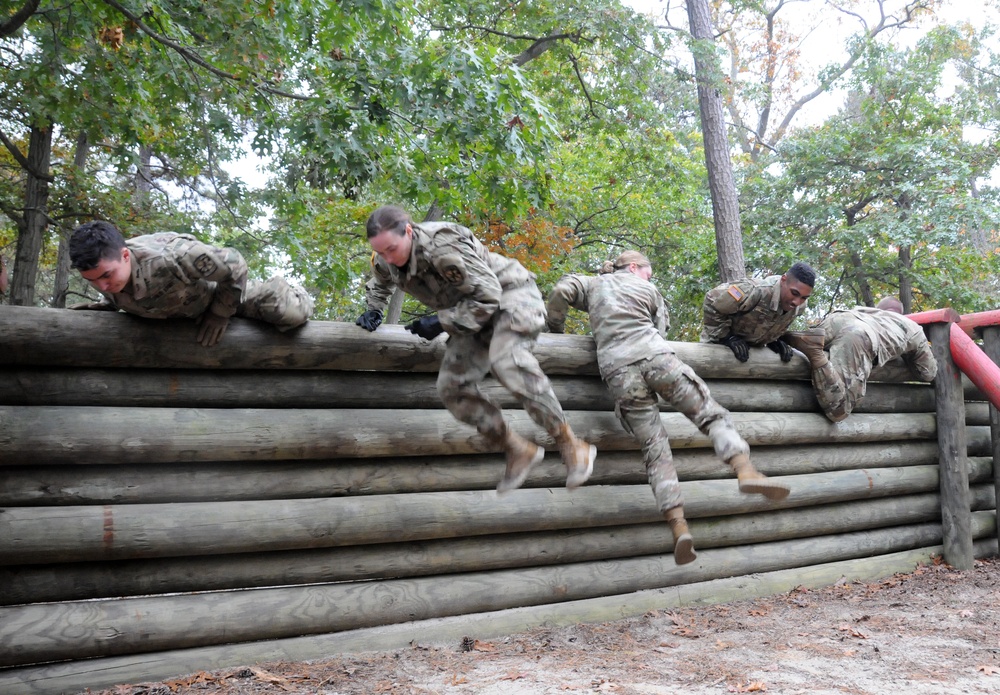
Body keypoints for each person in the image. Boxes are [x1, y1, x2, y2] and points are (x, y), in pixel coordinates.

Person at [546, 251, 790, 566]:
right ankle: (745, 471)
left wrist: (556, 329)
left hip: (618, 372)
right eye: (649, 271)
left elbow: (562, 291)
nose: (650, 277)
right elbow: (660, 330)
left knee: (655, 450)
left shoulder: (593, 284)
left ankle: (679, 527)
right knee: (709, 414)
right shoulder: (648, 290)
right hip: (656, 357)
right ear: (634, 267)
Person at [355, 205, 596, 493]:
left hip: (511, 296)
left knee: (507, 361)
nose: (387, 257)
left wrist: (441, 322)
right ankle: (517, 449)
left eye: (391, 249)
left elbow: (489, 296)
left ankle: (572, 444)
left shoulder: (443, 247)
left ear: (409, 230)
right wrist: (374, 310)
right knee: (451, 387)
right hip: (469, 311)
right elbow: (381, 279)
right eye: (380, 252)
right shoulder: (388, 257)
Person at [68, 220, 314, 347]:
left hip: (224, 295)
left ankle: (292, 292)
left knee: (290, 314)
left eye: (106, 276)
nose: (101, 286)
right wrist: (107, 305)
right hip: (184, 311)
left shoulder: (173, 256)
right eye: (92, 281)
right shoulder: (107, 275)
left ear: (124, 256)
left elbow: (236, 264)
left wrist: (219, 314)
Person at [784, 297, 938, 422]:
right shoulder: (912, 327)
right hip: (859, 334)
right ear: (901, 313)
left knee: (817, 343)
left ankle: (793, 338)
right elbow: (928, 373)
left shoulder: (865, 310)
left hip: (837, 318)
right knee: (838, 411)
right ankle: (815, 353)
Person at [701, 262, 817, 362]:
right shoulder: (754, 291)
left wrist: (774, 339)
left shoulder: (800, 307)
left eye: (804, 297)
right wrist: (726, 337)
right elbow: (712, 299)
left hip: (752, 356)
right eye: (794, 293)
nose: (797, 302)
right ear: (783, 280)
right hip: (717, 351)